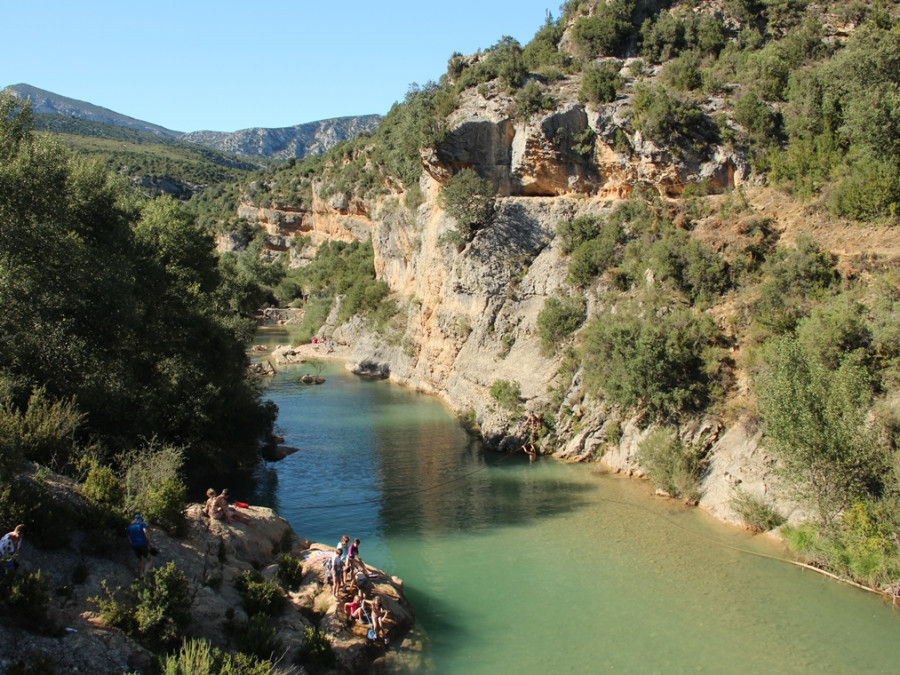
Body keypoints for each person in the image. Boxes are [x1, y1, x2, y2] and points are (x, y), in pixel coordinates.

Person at [126, 514, 152, 579]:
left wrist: (132, 543)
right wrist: (149, 543)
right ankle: (145, 573)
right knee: (150, 558)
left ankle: (140, 575)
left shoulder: (129, 527)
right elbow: (145, 532)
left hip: (134, 546)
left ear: (135, 519)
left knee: (140, 558)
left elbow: (129, 538)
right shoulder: (142, 524)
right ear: (140, 519)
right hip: (143, 545)